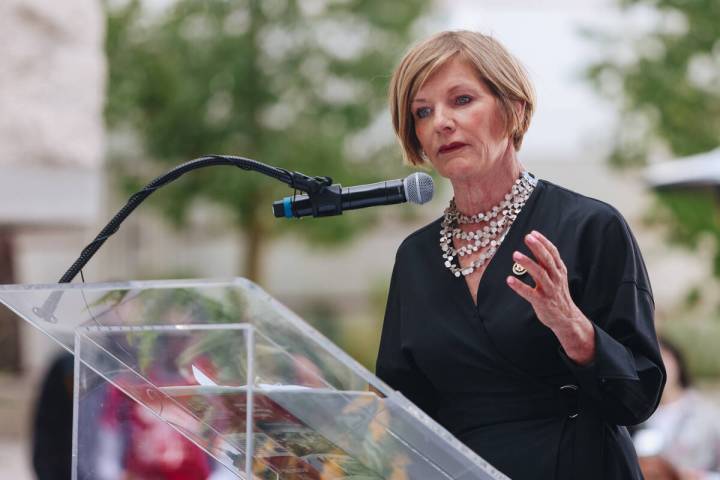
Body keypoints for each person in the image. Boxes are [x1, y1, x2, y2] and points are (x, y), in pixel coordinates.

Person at [375, 30, 666, 479]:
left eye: (462, 100)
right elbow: (402, 408)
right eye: (422, 112)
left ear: (514, 108)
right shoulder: (415, 258)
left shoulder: (590, 227)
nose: (441, 123)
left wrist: (573, 328)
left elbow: (640, 395)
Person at [634, 338, 720, 479]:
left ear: (676, 360)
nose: (655, 367)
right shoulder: (633, 417)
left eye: (662, 357)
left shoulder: (707, 414)